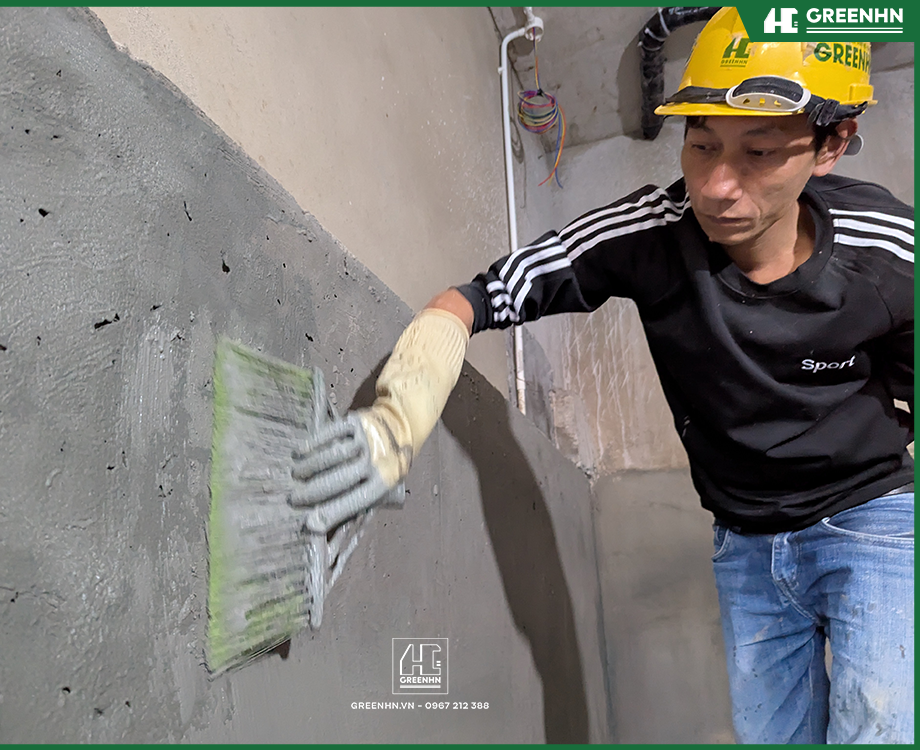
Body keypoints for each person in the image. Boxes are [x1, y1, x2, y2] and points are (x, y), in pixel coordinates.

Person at [289, 8, 913, 744]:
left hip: (869, 518)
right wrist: (396, 420)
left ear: (831, 144)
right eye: (702, 144)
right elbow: (479, 297)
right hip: (743, 539)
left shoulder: (889, 251)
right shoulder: (651, 232)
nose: (718, 185)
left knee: (881, 727)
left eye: (759, 153)